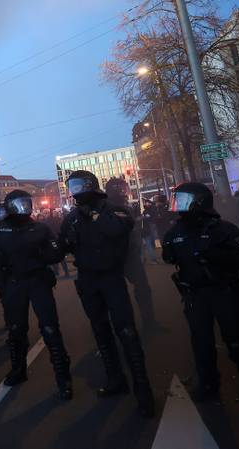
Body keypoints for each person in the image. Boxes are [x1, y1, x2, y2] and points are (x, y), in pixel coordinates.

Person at [162, 182, 239, 421]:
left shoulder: (223, 229)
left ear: (198, 202)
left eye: (182, 200)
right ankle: (208, 385)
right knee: (201, 343)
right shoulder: (175, 232)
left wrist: (217, 256)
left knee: (238, 344)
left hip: (224, 293)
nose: (177, 205)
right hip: (195, 296)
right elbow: (168, 256)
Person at [59, 171, 155, 417]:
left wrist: (93, 213)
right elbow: (60, 245)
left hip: (112, 278)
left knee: (126, 331)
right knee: (101, 331)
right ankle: (116, 379)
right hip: (88, 280)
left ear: (91, 185)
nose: (76, 190)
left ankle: (142, 390)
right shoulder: (72, 218)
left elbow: (116, 231)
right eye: (73, 186)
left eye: (81, 185)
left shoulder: (114, 210)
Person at [0, 190, 72, 398]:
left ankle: (63, 378)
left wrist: (38, 256)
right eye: (20, 203)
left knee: (50, 328)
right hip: (15, 283)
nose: (24, 207)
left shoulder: (40, 228)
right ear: (10, 206)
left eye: (26, 203)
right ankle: (18, 370)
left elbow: (56, 253)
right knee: (16, 329)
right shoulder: (1, 231)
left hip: (37, 282)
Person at [104, 178, 158, 333]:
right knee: (125, 293)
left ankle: (141, 326)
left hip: (128, 254)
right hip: (120, 257)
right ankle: (131, 328)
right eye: (122, 188)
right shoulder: (110, 208)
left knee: (139, 290)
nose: (125, 191)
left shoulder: (122, 206)